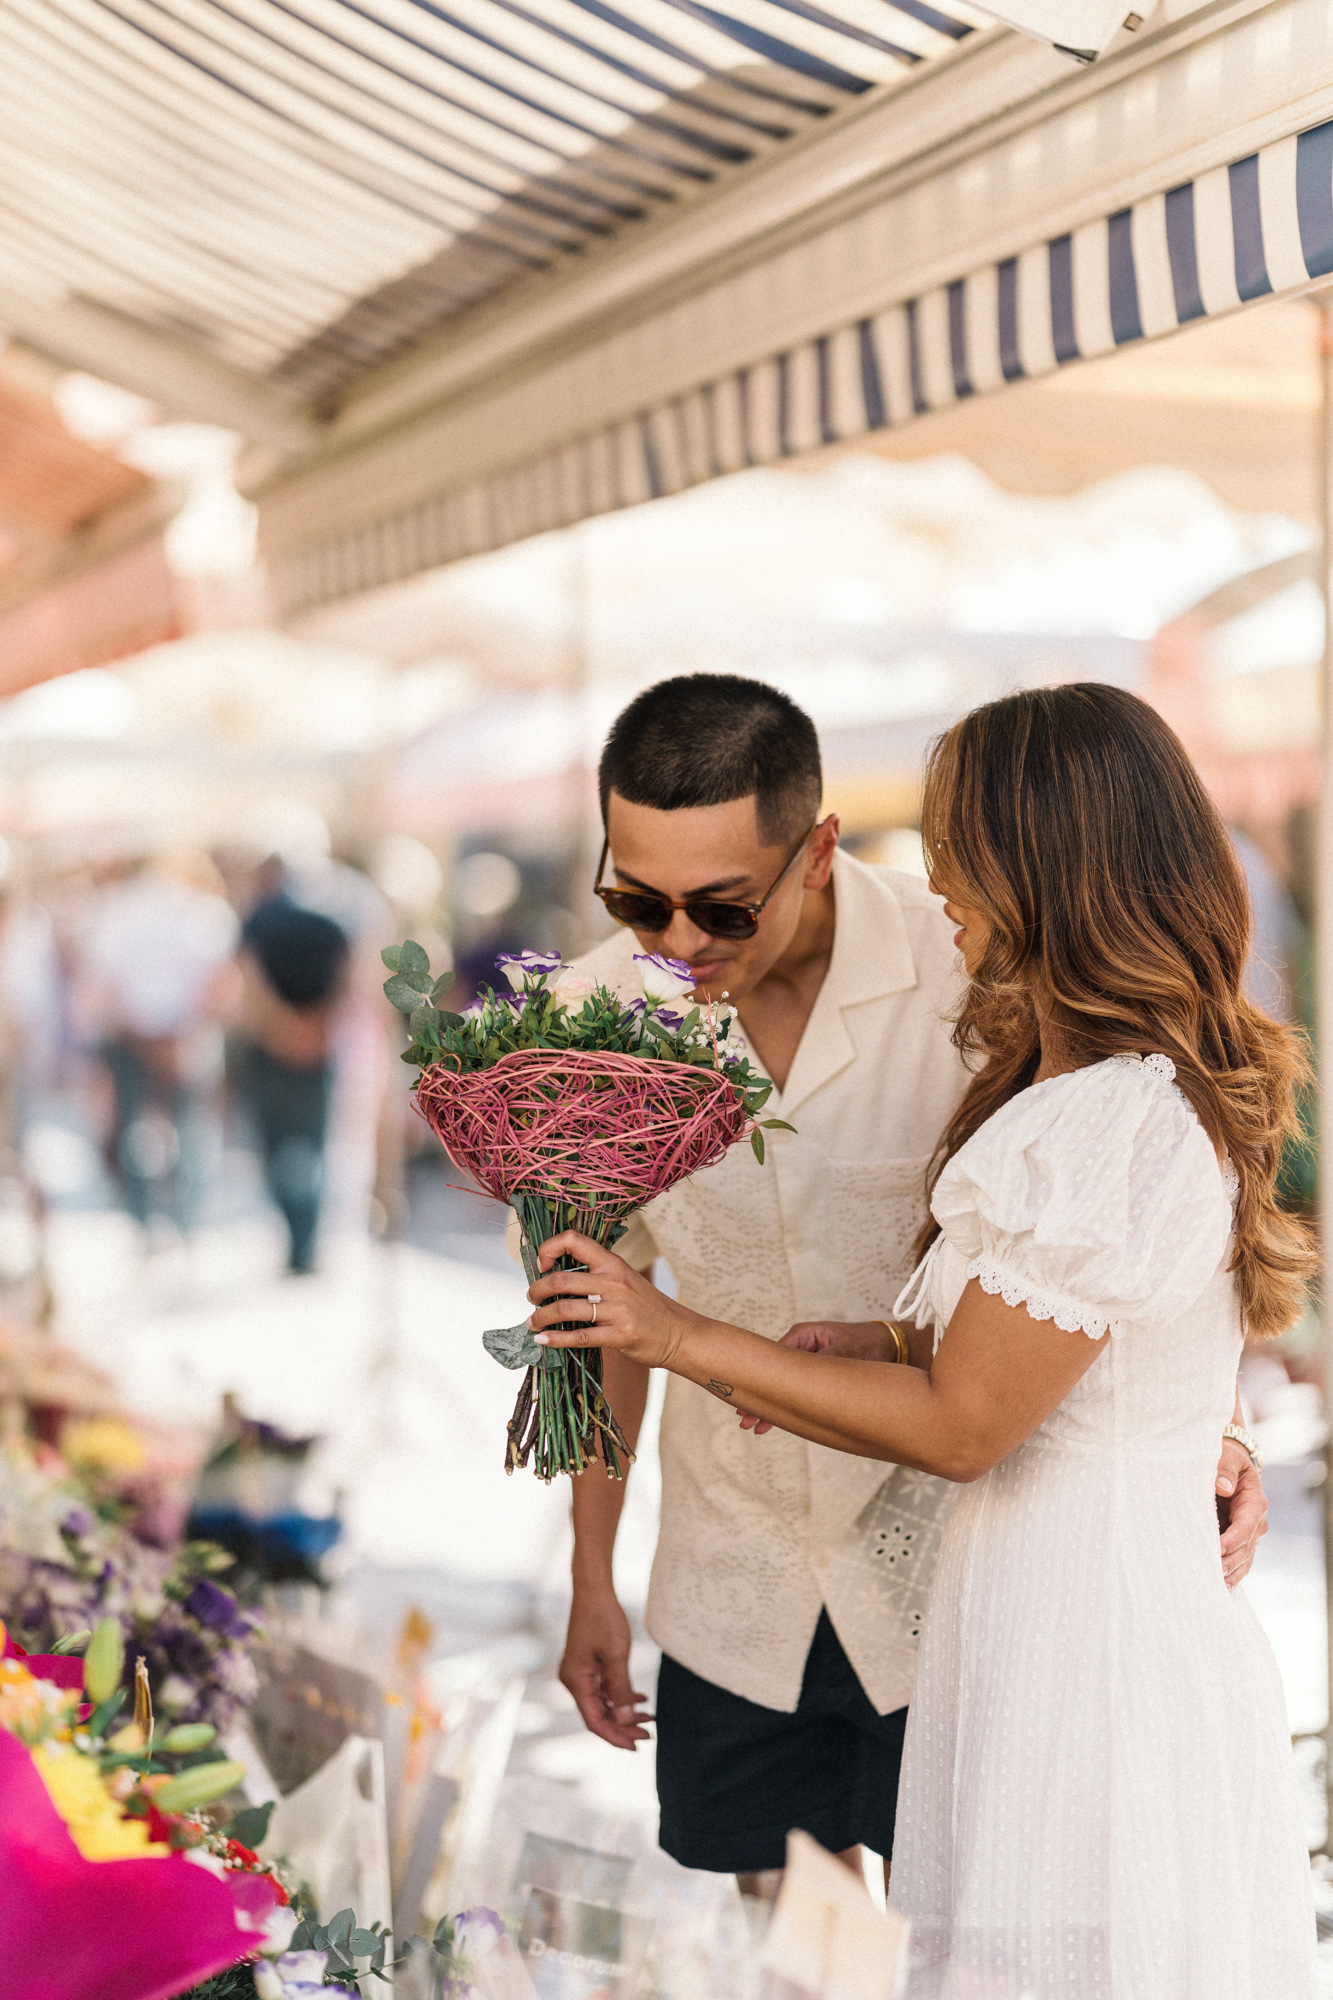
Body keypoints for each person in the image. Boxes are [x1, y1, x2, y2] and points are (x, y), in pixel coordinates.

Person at [528, 683, 1317, 1997]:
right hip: (746, 1575)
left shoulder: (979, 961)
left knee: (1020, 1941)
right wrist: (591, 1571)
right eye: (636, 900)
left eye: (720, 904)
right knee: (805, 1959)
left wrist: (1198, 1421)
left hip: (964, 1582)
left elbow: (1099, 1266)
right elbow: (596, 1327)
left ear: (819, 849)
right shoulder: (588, 1027)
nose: (675, 938)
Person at [232, 896, 349, 1274]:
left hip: (268, 1052)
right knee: (311, 1147)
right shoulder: (332, 923)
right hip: (317, 1049)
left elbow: (249, 984)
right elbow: (346, 982)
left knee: (274, 1151)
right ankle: (306, 1242)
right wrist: (314, 1028)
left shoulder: (257, 922)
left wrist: (281, 1028)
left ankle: (299, 1240)